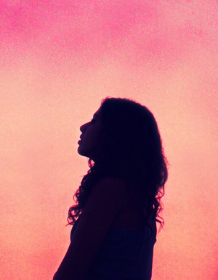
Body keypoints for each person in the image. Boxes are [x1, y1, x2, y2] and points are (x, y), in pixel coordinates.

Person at [52, 97, 167, 280]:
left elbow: (69, 275)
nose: (83, 127)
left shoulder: (112, 189)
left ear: (115, 133)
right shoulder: (136, 194)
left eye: (95, 120)